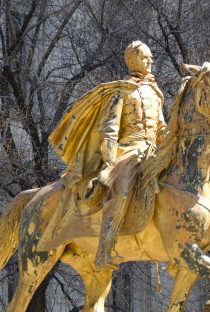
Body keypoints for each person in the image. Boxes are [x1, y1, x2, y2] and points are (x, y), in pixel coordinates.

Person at [47, 41, 165, 268]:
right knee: (122, 190)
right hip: (128, 150)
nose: (150, 60)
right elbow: (109, 129)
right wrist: (111, 162)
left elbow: (161, 127)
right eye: (145, 57)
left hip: (153, 151)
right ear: (133, 61)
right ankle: (105, 248)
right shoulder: (121, 91)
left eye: (151, 57)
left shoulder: (155, 93)